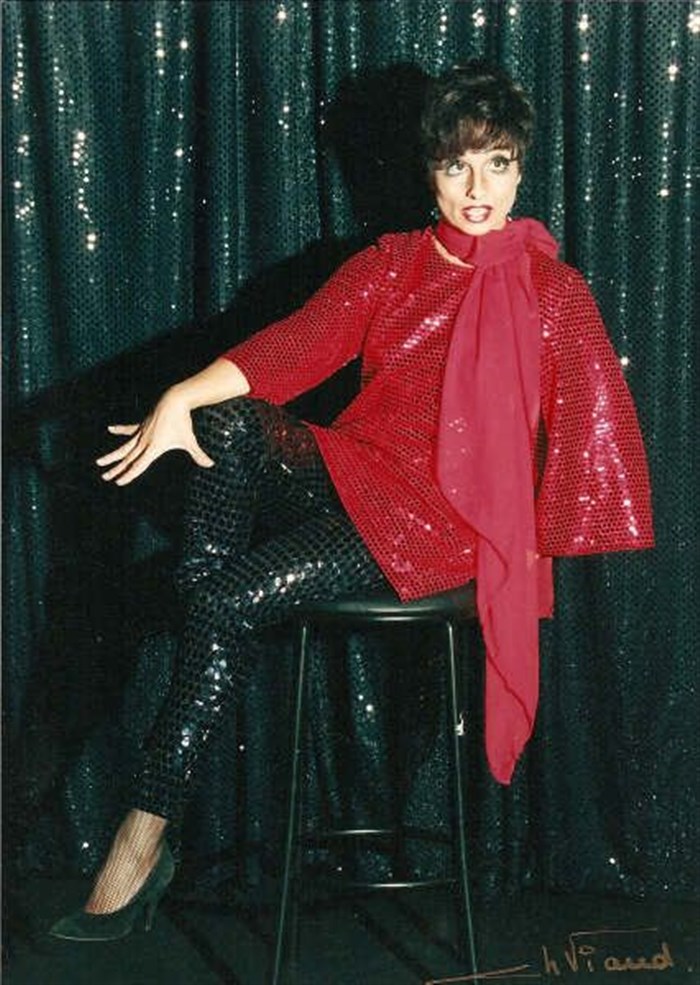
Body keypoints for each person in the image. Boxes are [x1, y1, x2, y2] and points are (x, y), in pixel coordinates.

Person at [49, 61, 653, 941]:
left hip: (441, 524)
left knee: (215, 604)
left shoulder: (554, 294)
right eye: (455, 165)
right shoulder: (394, 263)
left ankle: (141, 832)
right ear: (429, 172)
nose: (477, 188)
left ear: (521, 170)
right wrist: (179, 395)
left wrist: (532, 544)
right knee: (232, 421)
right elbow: (296, 344)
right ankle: (200, 623)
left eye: (496, 163)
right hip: (355, 475)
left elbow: (598, 430)